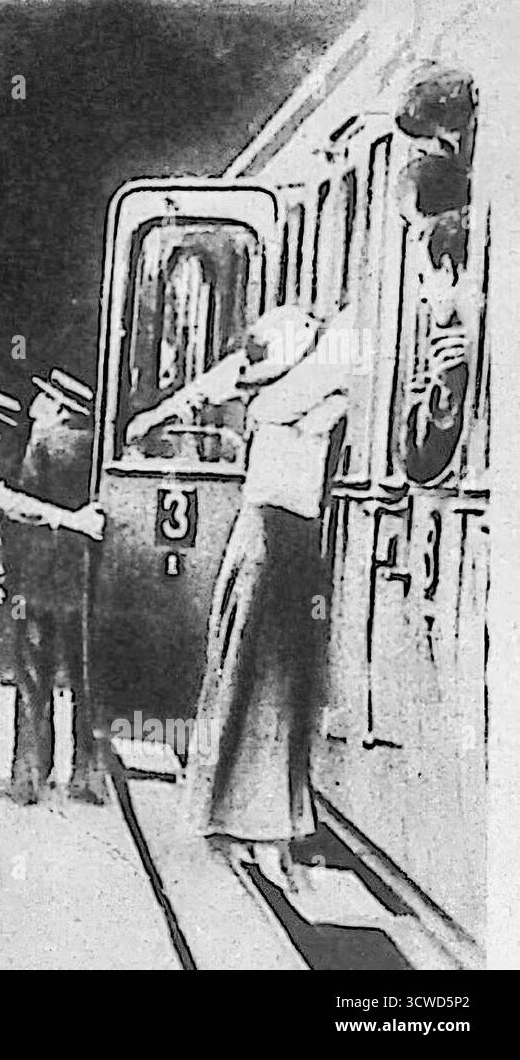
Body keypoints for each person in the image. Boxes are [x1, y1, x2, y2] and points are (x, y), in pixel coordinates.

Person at [185, 306, 352, 889]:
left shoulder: (290, 393)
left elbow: (235, 382)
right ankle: (250, 825)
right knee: (262, 685)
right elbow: (275, 391)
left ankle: (254, 822)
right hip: (274, 542)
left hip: (280, 544)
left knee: (264, 688)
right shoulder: (293, 394)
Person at [10, 368, 108, 805]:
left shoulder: (43, 442)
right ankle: (88, 775)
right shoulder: (97, 447)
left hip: (39, 576)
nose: (34, 407)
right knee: (86, 679)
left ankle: (29, 775)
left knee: (34, 676)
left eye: (42, 400)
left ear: (57, 407)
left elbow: (25, 501)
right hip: (83, 577)